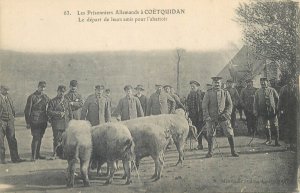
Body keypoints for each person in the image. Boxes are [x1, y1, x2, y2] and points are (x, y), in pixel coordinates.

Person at [202, 77, 239, 158]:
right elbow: (204, 106)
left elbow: (230, 105)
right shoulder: (208, 93)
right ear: (212, 84)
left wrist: (226, 114)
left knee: (229, 132)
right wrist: (207, 116)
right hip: (211, 117)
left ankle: (233, 151)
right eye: (215, 83)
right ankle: (210, 152)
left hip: (223, 117)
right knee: (210, 134)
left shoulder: (225, 92)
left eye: (218, 83)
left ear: (221, 83)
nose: (217, 84)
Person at [24, 81, 50, 161]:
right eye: (41, 87)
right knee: (36, 138)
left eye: (44, 87)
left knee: (40, 138)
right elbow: (27, 110)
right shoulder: (32, 97)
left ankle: (38, 155)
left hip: (43, 121)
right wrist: (28, 122)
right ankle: (33, 156)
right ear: (38, 86)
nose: (42, 89)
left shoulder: (45, 97)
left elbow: (51, 104)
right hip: (34, 121)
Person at [0, 85, 25, 164]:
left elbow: (12, 108)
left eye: (8, 90)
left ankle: (15, 158)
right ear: (0, 89)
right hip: (1, 122)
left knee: (12, 140)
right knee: (0, 141)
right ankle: (1, 159)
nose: (7, 92)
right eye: (5, 90)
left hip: (10, 122)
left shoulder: (9, 98)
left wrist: (12, 117)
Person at [253, 77, 280, 146]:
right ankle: (269, 140)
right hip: (263, 112)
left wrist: (277, 109)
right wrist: (255, 110)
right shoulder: (258, 92)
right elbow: (255, 102)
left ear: (267, 82)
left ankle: (277, 141)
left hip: (272, 112)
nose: (263, 83)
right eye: (261, 82)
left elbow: (278, 100)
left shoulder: (272, 90)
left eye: (264, 82)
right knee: (266, 126)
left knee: (275, 125)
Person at [47, 85, 73, 156]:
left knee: (65, 139)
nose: (62, 93)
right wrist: (58, 113)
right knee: (56, 139)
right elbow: (49, 111)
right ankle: (55, 153)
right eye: (60, 91)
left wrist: (71, 121)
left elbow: (70, 112)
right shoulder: (53, 101)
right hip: (57, 124)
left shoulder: (66, 101)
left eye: (63, 92)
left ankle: (63, 153)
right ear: (57, 91)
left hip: (65, 123)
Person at [278, 78, 298, 150]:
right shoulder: (283, 89)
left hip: (295, 111)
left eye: (291, 81)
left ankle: (294, 144)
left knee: (294, 127)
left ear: (293, 81)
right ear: (287, 82)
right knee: (287, 127)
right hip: (286, 111)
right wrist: (280, 109)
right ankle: (287, 144)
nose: (290, 82)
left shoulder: (297, 88)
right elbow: (280, 100)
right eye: (288, 81)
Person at [186, 80, 207, 150]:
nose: (192, 88)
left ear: (197, 87)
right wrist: (187, 111)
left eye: (193, 86)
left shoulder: (202, 94)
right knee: (197, 130)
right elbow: (187, 104)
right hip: (193, 116)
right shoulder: (189, 95)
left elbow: (207, 104)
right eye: (191, 86)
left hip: (201, 115)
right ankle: (200, 145)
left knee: (203, 130)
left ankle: (210, 144)